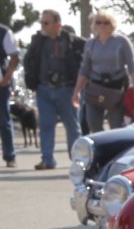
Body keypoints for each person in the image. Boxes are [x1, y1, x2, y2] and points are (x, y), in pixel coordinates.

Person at [22, 10, 85, 170]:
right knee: (46, 125)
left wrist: (79, 86)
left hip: (66, 88)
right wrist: (32, 81)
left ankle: (77, 160)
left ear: (58, 24)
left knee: (72, 126)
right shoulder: (38, 41)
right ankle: (47, 160)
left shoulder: (72, 41)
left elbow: (85, 61)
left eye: (46, 23)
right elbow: (28, 60)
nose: (42, 26)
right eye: (42, 22)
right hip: (44, 89)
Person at [72, 11, 134, 133]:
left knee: (116, 125)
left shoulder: (121, 41)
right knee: (93, 123)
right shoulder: (90, 44)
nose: (102, 26)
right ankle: (102, 144)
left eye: (106, 23)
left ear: (112, 24)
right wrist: (77, 91)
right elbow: (84, 69)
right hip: (95, 88)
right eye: (99, 23)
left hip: (116, 88)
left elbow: (132, 66)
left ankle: (115, 144)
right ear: (94, 25)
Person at [0, 21, 18, 167]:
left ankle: (10, 156)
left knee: (3, 120)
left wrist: (6, 78)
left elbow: (14, 57)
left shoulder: (4, 32)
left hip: (1, 83)